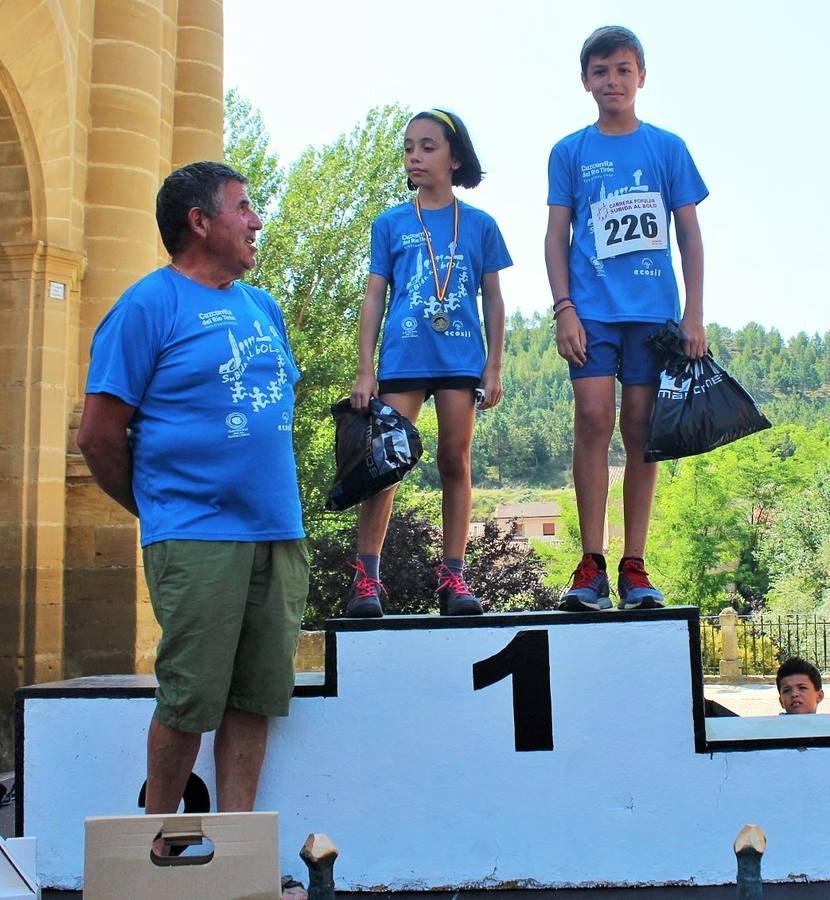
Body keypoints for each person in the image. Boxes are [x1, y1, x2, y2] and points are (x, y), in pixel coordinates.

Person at [76, 162, 309, 824]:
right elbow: (97, 436)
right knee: (189, 700)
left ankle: (236, 860)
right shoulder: (147, 306)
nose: (257, 220)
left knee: (254, 698)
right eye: (243, 207)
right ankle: (161, 853)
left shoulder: (260, 305)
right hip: (197, 534)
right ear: (200, 223)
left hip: (277, 532)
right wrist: (162, 509)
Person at [545, 25, 709, 611]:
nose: (612, 80)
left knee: (640, 428)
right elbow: (555, 234)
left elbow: (689, 235)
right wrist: (564, 307)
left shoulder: (667, 148)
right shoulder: (570, 152)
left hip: (654, 315)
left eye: (622, 69)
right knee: (593, 418)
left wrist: (693, 313)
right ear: (585, 81)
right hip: (591, 312)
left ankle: (634, 564)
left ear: (641, 76)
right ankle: (590, 563)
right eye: (600, 71)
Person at [345, 109, 510, 618]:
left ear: (454, 157)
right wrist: (365, 368)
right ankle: (365, 579)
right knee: (385, 466)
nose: (415, 155)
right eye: (409, 147)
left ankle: (453, 577)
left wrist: (495, 366)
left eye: (428, 146)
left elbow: (494, 300)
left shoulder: (480, 224)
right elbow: (374, 296)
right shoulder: (391, 222)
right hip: (403, 355)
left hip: (460, 357)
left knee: (453, 461)